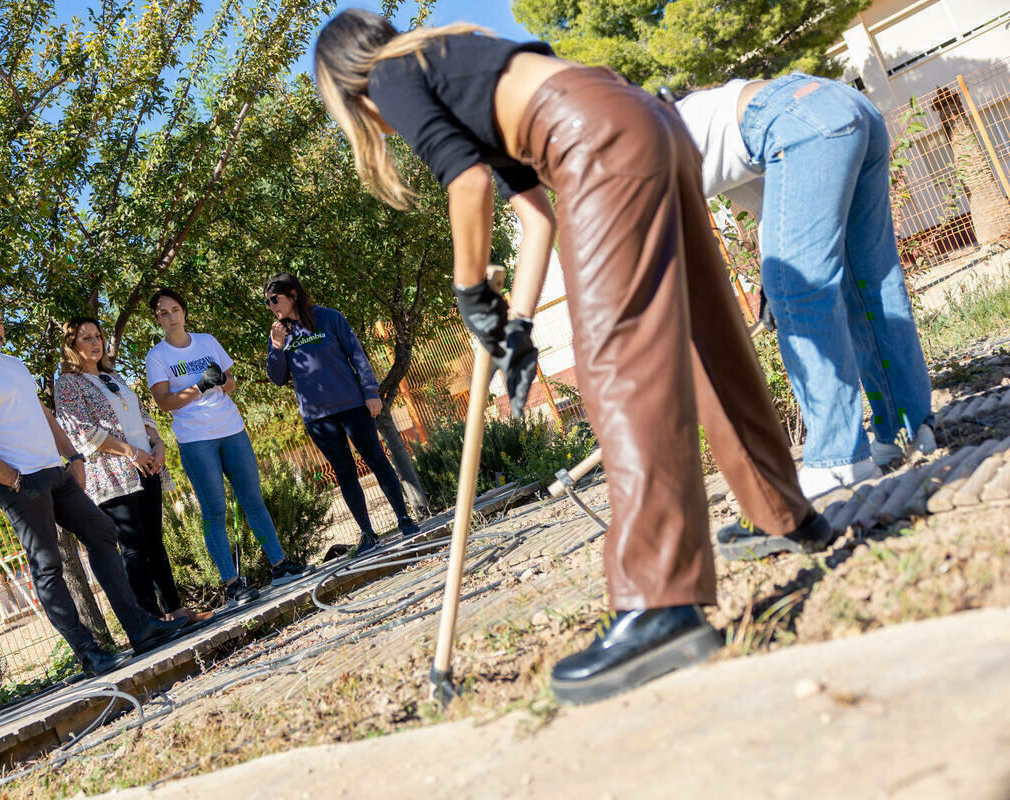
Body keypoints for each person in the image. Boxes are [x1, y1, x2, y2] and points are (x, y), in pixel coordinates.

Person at [313, 10, 828, 705]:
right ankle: (780, 512)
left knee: (619, 360)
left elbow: (463, 185)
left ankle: (660, 603)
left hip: (595, 140)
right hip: (645, 122)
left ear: (345, 88)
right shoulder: (457, 63)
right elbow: (536, 218)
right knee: (705, 335)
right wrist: (515, 327)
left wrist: (469, 286)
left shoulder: (390, 72)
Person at [676, 75, 935, 501]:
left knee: (800, 293)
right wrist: (767, 281)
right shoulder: (711, 128)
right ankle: (907, 430)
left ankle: (837, 459)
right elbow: (772, 207)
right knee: (869, 281)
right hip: (846, 108)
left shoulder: (646, 155)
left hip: (797, 122)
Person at [0, 297, 188, 678]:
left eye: (0, 323)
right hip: (18, 482)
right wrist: (14, 480)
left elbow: (41, 413)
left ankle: (141, 629)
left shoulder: (12, 365)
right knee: (48, 565)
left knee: (102, 532)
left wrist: (73, 457)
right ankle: (90, 654)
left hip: (53, 470)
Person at [145, 288, 312, 608]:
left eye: (175, 309)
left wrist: (220, 381)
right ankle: (232, 584)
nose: (171, 316)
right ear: (157, 319)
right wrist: (200, 385)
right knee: (214, 511)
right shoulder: (158, 356)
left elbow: (231, 382)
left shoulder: (207, 342)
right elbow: (164, 403)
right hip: (195, 440)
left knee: (253, 500)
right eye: (163, 313)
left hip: (231, 429)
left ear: (184, 311)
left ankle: (279, 566)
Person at [263, 272, 421, 554]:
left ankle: (404, 518)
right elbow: (277, 377)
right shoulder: (280, 334)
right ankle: (368, 534)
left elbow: (356, 354)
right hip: (317, 418)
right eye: (268, 303)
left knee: (376, 459)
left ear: (293, 295)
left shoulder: (329, 317)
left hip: (352, 406)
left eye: (275, 299)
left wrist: (371, 393)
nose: (272, 306)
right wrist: (276, 348)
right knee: (345, 473)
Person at [55, 316, 194, 622]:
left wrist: (157, 443)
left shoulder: (113, 376)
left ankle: (176, 611)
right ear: (72, 346)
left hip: (147, 467)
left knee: (155, 542)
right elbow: (82, 432)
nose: (95, 343)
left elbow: (142, 414)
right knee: (133, 547)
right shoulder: (68, 384)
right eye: (86, 338)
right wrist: (130, 451)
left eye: (97, 337)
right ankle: (151, 621)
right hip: (114, 475)